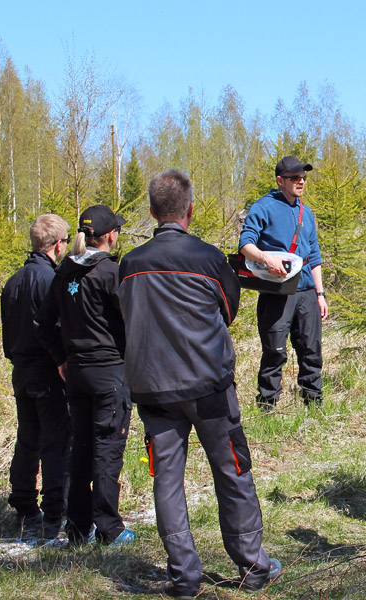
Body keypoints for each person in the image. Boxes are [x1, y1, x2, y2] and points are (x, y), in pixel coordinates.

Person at [119, 170, 281, 598]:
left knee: (167, 480)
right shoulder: (209, 258)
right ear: (189, 210)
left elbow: (127, 321)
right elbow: (228, 311)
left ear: (153, 211)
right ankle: (252, 566)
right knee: (232, 471)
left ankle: (184, 575)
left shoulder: (129, 264)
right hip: (208, 386)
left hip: (152, 388)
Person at [35, 204, 134, 546]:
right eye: (117, 230)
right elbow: (130, 322)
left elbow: (43, 324)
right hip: (108, 373)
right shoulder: (111, 272)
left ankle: (77, 528)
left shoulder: (64, 271)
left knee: (80, 450)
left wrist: (62, 360)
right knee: (106, 450)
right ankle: (109, 528)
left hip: (76, 374)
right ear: (109, 236)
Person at [1, 214, 71, 543]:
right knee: (56, 442)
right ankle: (54, 512)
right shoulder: (51, 280)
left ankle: (25, 507)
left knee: (28, 439)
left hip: (21, 370)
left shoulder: (13, 281)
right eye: (66, 242)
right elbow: (55, 329)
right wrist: (64, 362)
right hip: (47, 369)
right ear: (57, 245)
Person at [239, 156, 328, 409]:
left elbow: (314, 256)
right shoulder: (263, 207)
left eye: (303, 178)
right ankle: (266, 407)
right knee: (274, 351)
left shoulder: (306, 212)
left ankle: (314, 405)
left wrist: (320, 294)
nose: (301, 182)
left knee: (311, 350)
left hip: (307, 292)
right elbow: (245, 244)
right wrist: (265, 258)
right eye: (294, 178)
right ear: (280, 180)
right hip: (277, 291)